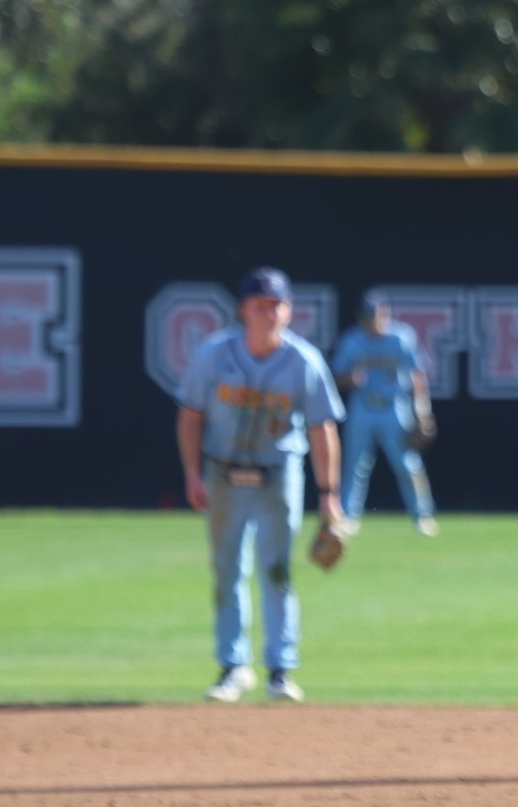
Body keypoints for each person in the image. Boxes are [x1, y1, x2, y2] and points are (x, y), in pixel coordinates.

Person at [174, 267, 346, 704]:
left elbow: (322, 429)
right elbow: (191, 414)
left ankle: (280, 670)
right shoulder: (215, 355)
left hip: (277, 474)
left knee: (278, 572)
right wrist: (192, 473)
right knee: (227, 570)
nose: (269, 313)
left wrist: (329, 495)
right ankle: (234, 667)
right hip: (223, 473)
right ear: (243, 310)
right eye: (260, 305)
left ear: (289, 311)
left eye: (277, 305)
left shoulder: (303, 361)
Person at [330, 294, 439, 536]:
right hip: (363, 406)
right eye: (367, 317)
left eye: (376, 316)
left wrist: (422, 411)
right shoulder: (353, 340)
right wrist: (349, 379)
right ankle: (348, 516)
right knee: (355, 466)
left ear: (385, 315)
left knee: (408, 464)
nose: (372, 322)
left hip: (394, 407)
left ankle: (423, 515)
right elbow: (336, 376)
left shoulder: (401, 337)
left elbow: (417, 375)